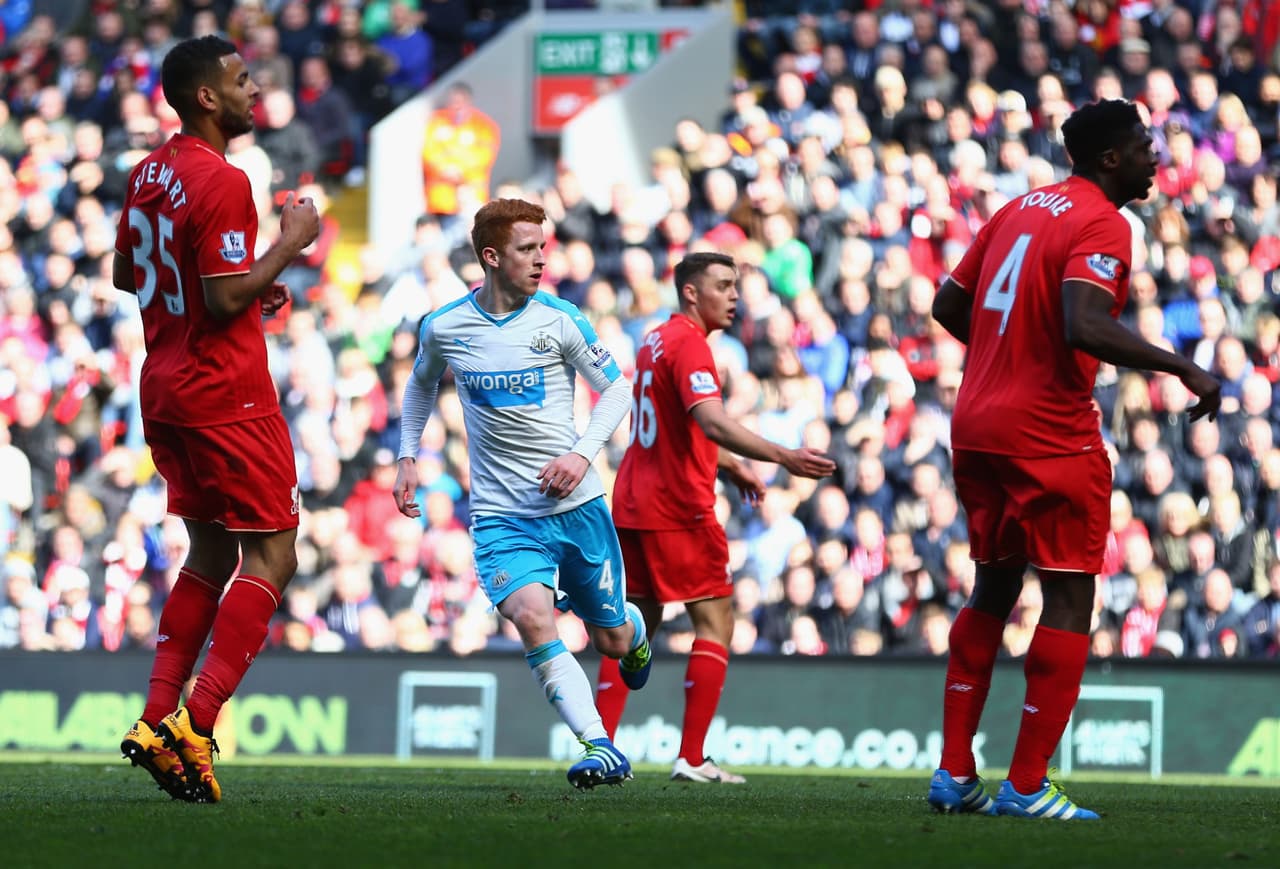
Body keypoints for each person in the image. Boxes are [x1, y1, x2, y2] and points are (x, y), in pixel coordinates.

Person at [926, 99, 1220, 820]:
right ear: (1110, 158)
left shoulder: (1018, 207)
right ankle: (1026, 785)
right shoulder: (1103, 222)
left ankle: (954, 772)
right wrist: (1181, 366)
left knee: (992, 587)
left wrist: (1005, 353)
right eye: (1144, 145)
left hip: (977, 423)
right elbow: (1083, 322)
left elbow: (947, 306)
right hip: (1048, 430)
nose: (1156, 156)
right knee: (1067, 595)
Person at [113, 35, 321, 803]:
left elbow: (127, 272)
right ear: (207, 97)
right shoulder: (224, 178)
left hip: (165, 386)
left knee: (207, 550)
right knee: (274, 553)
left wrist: (244, 281)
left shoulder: (148, 173)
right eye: (241, 79)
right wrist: (288, 246)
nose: (253, 88)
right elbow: (225, 294)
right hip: (225, 392)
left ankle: (153, 720)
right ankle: (194, 724)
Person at [393, 198, 651, 790]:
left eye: (543, 247)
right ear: (491, 257)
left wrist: (580, 454)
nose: (541, 259)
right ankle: (600, 745)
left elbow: (617, 391)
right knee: (534, 619)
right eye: (527, 249)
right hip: (501, 515)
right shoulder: (444, 326)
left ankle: (634, 632)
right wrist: (407, 456)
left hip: (575, 506)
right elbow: (420, 386)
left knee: (610, 638)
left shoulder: (561, 319)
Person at [595, 252, 836, 783]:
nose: (733, 296)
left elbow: (675, 427)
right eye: (723, 285)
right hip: (678, 507)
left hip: (634, 501)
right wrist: (784, 456)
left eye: (735, 286)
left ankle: (599, 747)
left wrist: (729, 465)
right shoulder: (691, 346)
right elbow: (710, 420)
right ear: (690, 292)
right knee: (717, 621)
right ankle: (693, 756)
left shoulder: (655, 339)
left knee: (634, 625)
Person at [421, 81, 500, 231]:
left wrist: (460, 170)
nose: (457, 105)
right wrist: (445, 169)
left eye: (461, 101)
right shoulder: (436, 121)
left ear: (469, 101)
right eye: (453, 101)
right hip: (440, 198)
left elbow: (485, 156)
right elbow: (428, 152)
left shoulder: (483, 125)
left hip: (471, 197)